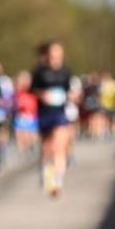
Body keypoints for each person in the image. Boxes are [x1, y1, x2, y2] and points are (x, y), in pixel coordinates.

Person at [31, 41, 76, 197]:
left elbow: (70, 90)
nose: (56, 56)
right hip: (44, 113)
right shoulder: (39, 71)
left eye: (59, 53)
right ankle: (44, 170)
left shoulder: (65, 71)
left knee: (59, 146)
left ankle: (58, 181)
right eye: (53, 52)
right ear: (48, 54)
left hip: (60, 113)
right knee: (47, 147)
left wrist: (72, 96)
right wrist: (42, 94)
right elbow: (33, 90)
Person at [12, 70, 39, 156]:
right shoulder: (17, 93)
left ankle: (30, 148)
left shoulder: (34, 91)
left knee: (30, 136)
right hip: (20, 117)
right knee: (20, 135)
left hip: (32, 117)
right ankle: (22, 152)